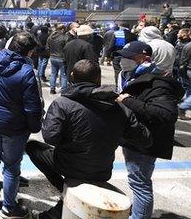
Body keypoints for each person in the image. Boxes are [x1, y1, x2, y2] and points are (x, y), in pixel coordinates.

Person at [26, 59, 151, 219]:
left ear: (71, 76)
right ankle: (62, 200)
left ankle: (63, 188)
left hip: (67, 165)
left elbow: (51, 137)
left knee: (32, 148)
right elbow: (144, 138)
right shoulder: (119, 107)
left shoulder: (63, 103)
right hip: (102, 169)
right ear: (98, 79)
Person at [0, 32, 42, 218]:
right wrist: (34, 126)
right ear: (28, 53)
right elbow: (31, 107)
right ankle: (8, 207)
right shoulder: (26, 71)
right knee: (12, 167)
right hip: (15, 127)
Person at [116, 41, 183, 219]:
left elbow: (166, 114)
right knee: (137, 181)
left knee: (140, 183)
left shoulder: (159, 83)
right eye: (123, 56)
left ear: (145, 59)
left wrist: (128, 101)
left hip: (144, 141)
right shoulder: (133, 76)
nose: (124, 60)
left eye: (129, 57)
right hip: (135, 137)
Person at [46, 24, 68, 94]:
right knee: (63, 75)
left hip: (52, 57)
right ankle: (63, 91)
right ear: (62, 29)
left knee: (53, 74)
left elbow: (47, 47)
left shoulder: (50, 37)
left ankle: (52, 89)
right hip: (61, 58)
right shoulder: (64, 37)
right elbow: (67, 48)